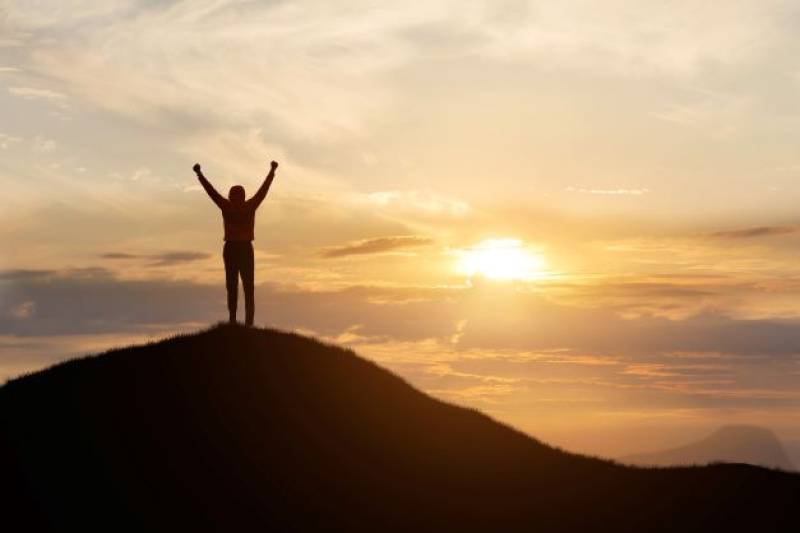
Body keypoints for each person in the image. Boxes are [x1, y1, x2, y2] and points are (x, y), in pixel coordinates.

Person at [193, 160, 278, 326]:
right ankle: (241, 322)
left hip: (237, 248)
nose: (236, 198)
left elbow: (212, 192)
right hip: (239, 248)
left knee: (239, 286)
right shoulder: (244, 206)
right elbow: (262, 191)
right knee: (241, 286)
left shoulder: (231, 206)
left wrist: (199, 174)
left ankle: (240, 322)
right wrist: (272, 172)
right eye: (235, 195)